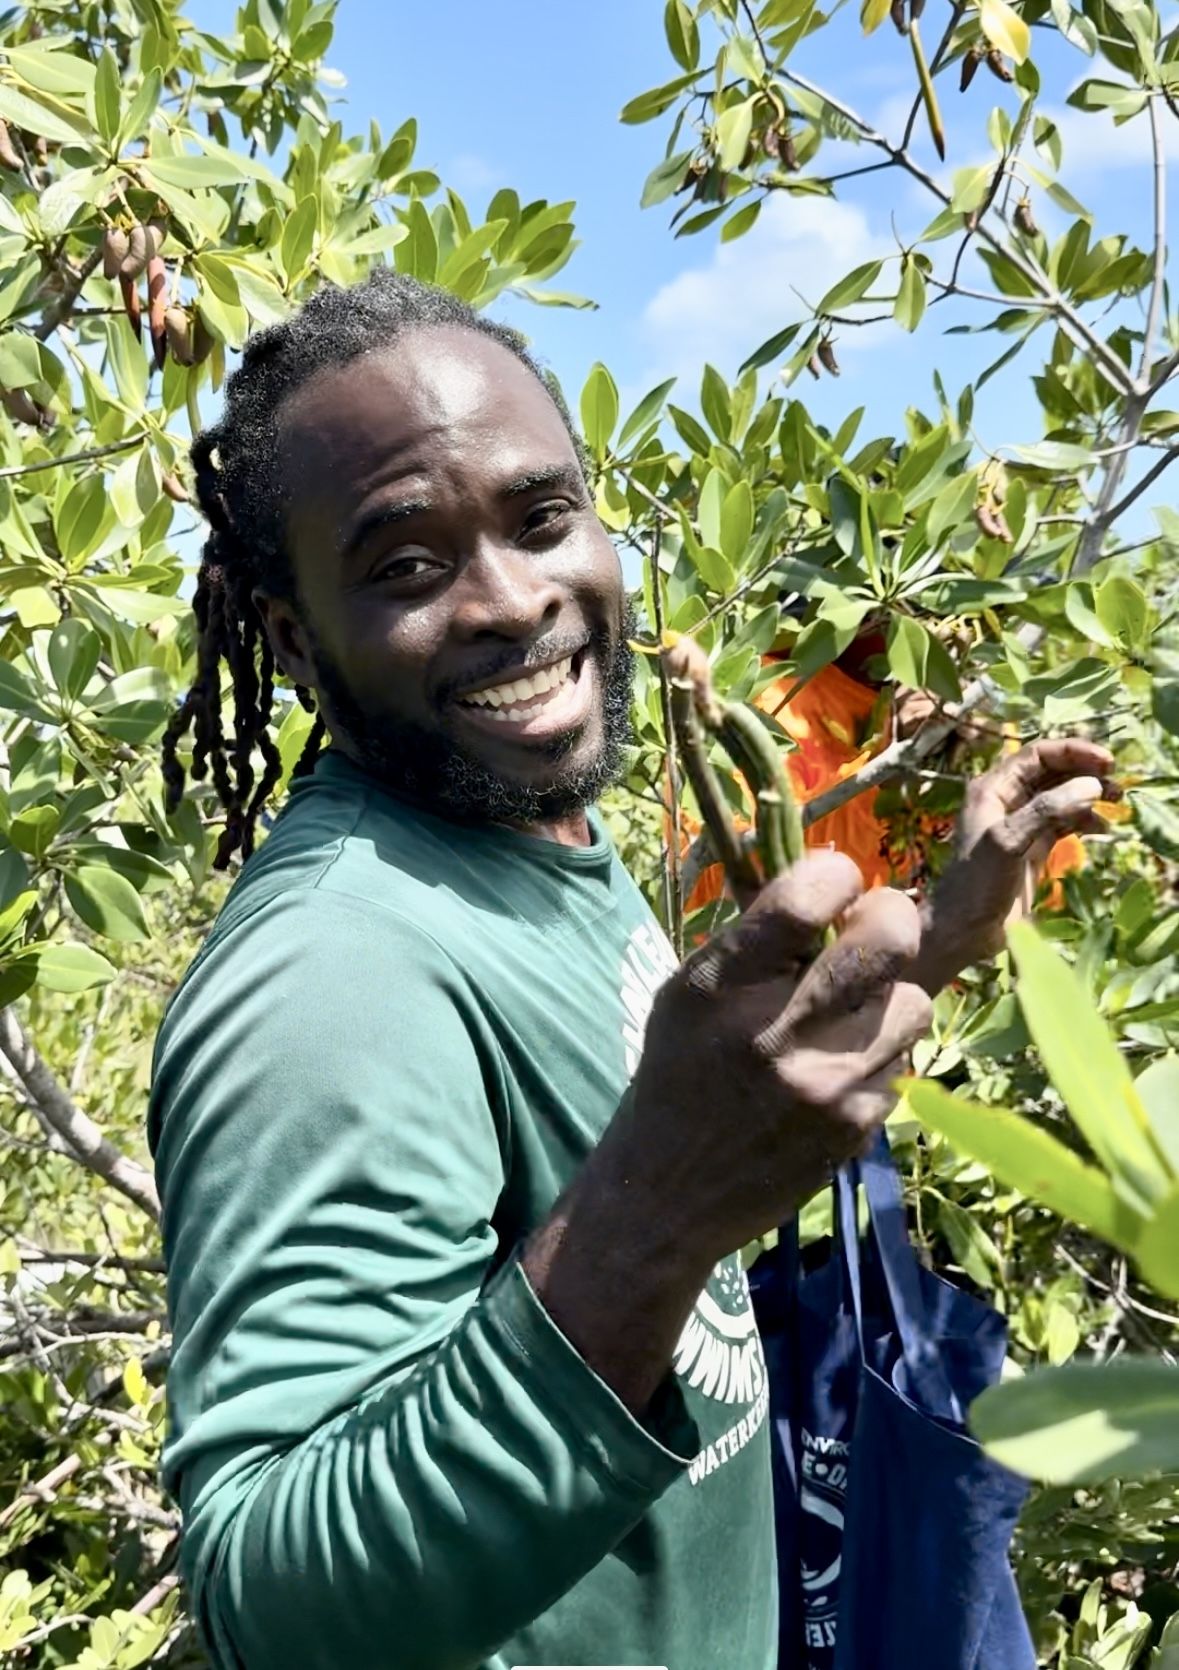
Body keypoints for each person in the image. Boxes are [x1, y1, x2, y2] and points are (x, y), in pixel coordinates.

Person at [148, 270, 1115, 1670]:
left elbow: (702, 1097)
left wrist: (949, 928)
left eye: (542, 519)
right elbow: (270, 1607)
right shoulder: (331, 969)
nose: (510, 598)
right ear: (293, 639)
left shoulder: (529, 840)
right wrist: (648, 1213)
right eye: (407, 565)